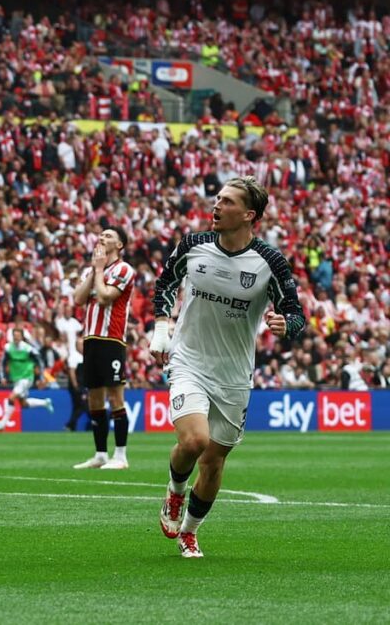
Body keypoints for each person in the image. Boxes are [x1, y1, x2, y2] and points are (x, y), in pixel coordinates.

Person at [151, 177, 304, 558]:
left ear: (249, 215)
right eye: (217, 198)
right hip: (189, 360)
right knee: (194, 441)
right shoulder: (193, 245)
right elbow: (166, 282)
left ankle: (190, 530)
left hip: (234, 375)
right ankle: (174, 491)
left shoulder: (269, 261)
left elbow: (296, 313)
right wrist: (160, 325)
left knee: (214, 461)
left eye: (227, 201)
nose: (216, 205)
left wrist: (288, 325)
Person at [72, 226, 136, 470]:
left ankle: (120, 456)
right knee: (94, 399)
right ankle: (100, 454)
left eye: (109, 236)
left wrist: (98, 270)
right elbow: (78, 299)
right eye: (100, 235)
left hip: (112, 340)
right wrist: (94, 271)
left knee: (115, 397)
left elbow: (105, 296)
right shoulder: (92, 270)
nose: (101, 238)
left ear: (120, 245)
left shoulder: (124, 269)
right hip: (91, 339)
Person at [0, 326, 49, 430]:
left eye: (18, 336)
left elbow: (40, 361)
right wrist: (3, 377)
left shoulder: (28, 349)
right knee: (23, 404)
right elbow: (2, 363)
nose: (16, 338)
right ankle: (45, 402)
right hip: (16, 379)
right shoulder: (8, 348)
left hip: (27, 378)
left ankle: (2, 423)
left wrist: (41, 377)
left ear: (22, 337)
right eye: (14, 336)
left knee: (11, 398)